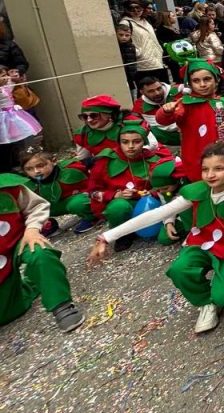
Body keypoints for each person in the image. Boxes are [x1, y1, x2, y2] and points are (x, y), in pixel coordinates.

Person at [88, 141, 224, 334]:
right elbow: (157, 214)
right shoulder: (198, 190)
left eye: (218, 169)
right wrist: (106, 237)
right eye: (205, 169)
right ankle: (205, 302)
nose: (210, 175)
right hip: (203, 243)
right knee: (179, 269)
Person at [0, 170, 85, 332]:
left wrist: (32, 229)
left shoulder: (7, 186)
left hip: (18, 241)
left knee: (40, 253)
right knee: (9, 313)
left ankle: (61, 305)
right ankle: (29, 286)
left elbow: (37, 205)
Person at [84, 120, 176, 242]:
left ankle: (150, 229)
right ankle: (122, 235)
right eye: (125, 142)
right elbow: (92, 191)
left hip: (150, 202)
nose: (130, 146)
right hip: (124, 205)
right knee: (118, 207)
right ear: (119, 142)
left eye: (137, 141)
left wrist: (153, 192)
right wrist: (114, 195)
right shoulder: (105, 161)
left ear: (144, 142)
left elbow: (170, 188)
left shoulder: (155, 159)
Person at [155, 60, 224, 183]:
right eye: (196, 81)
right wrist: (166, 111)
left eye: (207, 79)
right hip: (196, 161)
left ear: (216, 80)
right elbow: (163, 120)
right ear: (189, 84)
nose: (202, 84)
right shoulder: (185, 104)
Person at [19, 148, 91, 236]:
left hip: (73, 201)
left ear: (54, 161)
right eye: (29, 169)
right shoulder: (26, 186)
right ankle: (50, 226)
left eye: (40, 166)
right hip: (51, 208)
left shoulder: (71, 169)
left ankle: (91, 217)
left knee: (79, 203)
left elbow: (96, 176)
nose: (36, 171)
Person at [119, 0, 167, 86]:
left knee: (161, 88)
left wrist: (160, 50)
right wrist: (138, 52)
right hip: (142, 63)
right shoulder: (125, 22)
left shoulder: (146, 20)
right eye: (132, 9)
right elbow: (124, 41)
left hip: (156, 59)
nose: (136, 11)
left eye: (139, 8)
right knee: (146, 90)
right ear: (126, 9)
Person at [72, 96, 124, 164]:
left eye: (94, 115)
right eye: (85, 116)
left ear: (108, 114)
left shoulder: (127, 125)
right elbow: (83, 161)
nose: (89, 120)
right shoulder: (82, 134)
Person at [131, 77, 181, 147]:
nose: (157, 93)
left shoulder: (178, 91)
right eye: (151, 91)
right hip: (167, 136)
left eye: (159, 88)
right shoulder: (139, 106)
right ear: (142, 92)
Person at [115, 22, 138, 87]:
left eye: (127, 35)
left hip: (131, 78)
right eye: (121, 35)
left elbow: (133, 63)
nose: (124, 37)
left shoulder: (131, 47)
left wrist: (133, 76)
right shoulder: (116, 46)